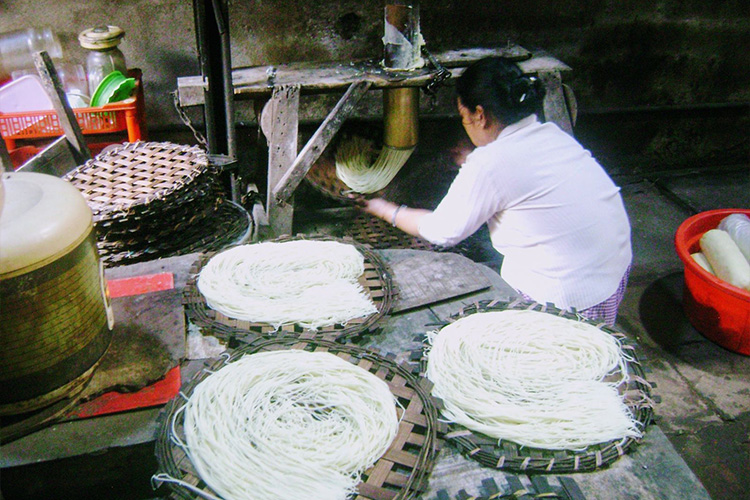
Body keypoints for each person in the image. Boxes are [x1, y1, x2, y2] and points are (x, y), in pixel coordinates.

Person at [358, 56, 632, 325]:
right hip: (610, 278)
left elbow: (443, 231)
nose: (465, 126)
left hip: (563, 300)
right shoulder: (551, 135)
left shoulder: (491, 163)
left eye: (464, 116)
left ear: (479, 114)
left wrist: (386, 209)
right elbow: (519, 176)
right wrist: (474, 160)